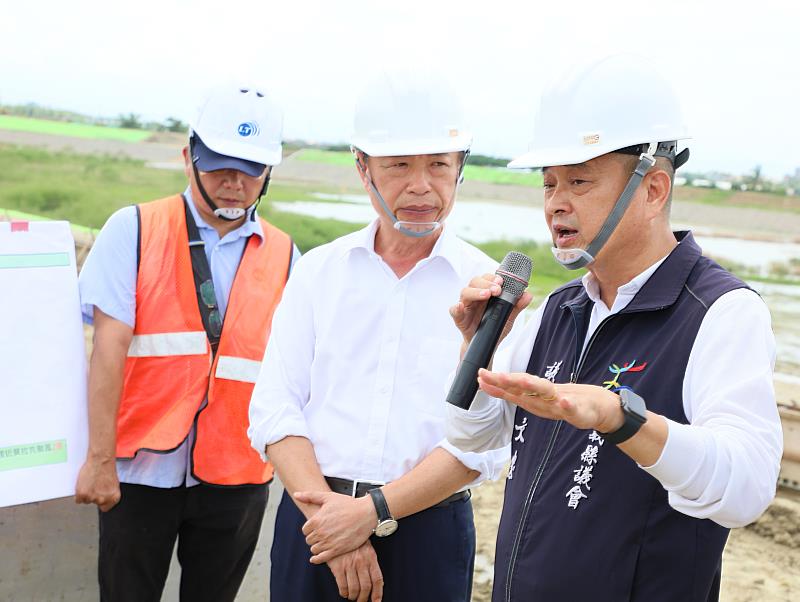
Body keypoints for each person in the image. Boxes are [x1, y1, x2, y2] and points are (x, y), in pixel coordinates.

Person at [446, 54, 783, 602]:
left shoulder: (721, 312)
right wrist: (474, 349)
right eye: (549, 183)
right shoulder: (554, 310)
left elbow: (745, 488)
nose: (557, 203)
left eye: (579, 181)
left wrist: (622, 419)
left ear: (653, 190)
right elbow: (471, 438)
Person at [248, 69, 509, 602]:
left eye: (439, 165)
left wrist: (370, 513)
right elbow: (276, 408)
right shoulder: (320, 272)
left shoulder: (488, 288)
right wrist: (336, 527)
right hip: (312, 524)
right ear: (362, 167)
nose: (421, 185)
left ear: (461, 169)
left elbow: (481, 442)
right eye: (398, 166)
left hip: (427, 533)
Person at [74, 83, 298, 602]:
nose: (234, 182)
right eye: (220, 163)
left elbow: (292, 374)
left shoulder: (288, 257)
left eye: (250, 169)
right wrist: (101, 460)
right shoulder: (133, 229)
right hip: (140, 471)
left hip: (236, 476)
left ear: (267, 174)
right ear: (188, 157)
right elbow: (106, 350)